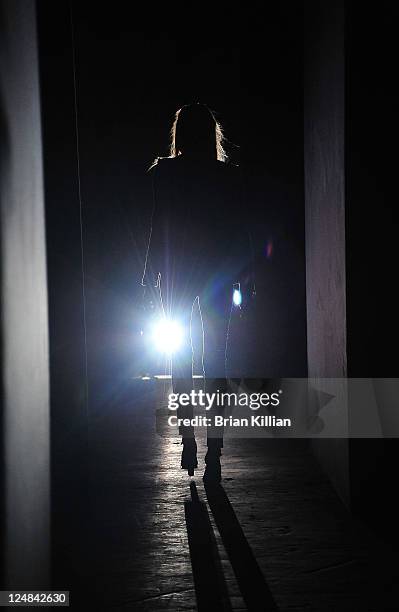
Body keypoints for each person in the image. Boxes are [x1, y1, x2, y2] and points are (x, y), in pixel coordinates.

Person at [142, 103, 254, 482]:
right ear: (211, 134)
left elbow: (159, 226)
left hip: (177, 274)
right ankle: (215, 449)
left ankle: (188, 439)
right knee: (215, 364)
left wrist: (148, 276)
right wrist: (245, 277)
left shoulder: (165, 174)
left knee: (182, 363)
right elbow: (239, 232)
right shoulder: (227, 177)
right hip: (218, 274)